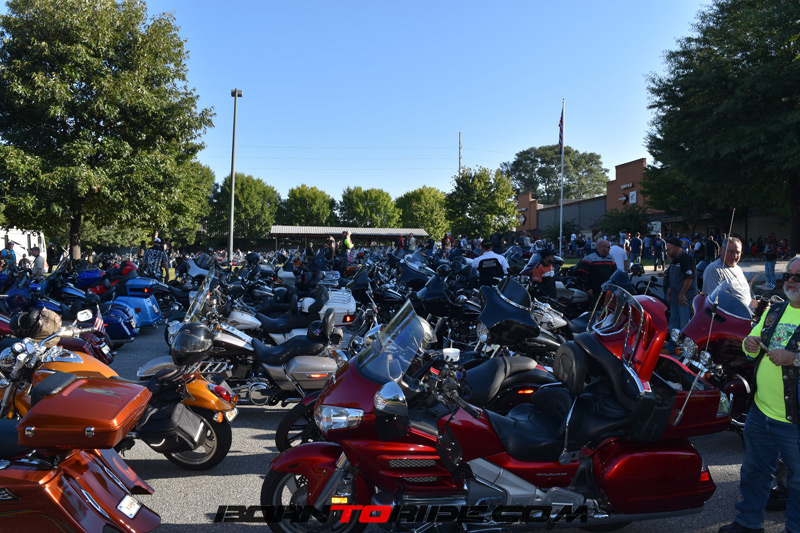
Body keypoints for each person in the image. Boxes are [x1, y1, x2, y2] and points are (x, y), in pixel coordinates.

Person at [719, 257, 800, 533]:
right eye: (788, 275)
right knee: (754, 472)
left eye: (798, 277)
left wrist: (794, 358)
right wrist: (749, 343)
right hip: (761, 410)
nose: (791, 281)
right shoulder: (775, 311)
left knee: (798, 481)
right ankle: (748, 523)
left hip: (793, 420)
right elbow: (751, 346)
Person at [663, 237, 698, 349]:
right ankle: (673, 345)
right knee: (674, 322)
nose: (667, 252)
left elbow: (689, 278)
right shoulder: (675, 260)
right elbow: (673, 277)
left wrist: (682, 294)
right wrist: (670, 289)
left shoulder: (686, 259)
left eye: (669, 249)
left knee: (684, 324)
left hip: (685, 299)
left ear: (676, 248)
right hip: (674, 298)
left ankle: (684, 348)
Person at [702, 237, 751, 310]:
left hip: (747, 313)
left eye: (738, 252)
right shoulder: (714, 269)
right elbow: (713, 302)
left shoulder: (738, 269)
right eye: (730, 251)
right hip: (731, 315)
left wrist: (755, 304)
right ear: (721, 250)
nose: (734, 256)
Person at [575, 239, 616, 307]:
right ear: (601, 247)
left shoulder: (610, 258)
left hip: (607, 289)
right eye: (608, 247)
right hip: (594, 290)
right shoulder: (589, 258)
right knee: (594, 307)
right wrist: (588, 289)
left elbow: (614, 273)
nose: (609, 249)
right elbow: (585, 275)